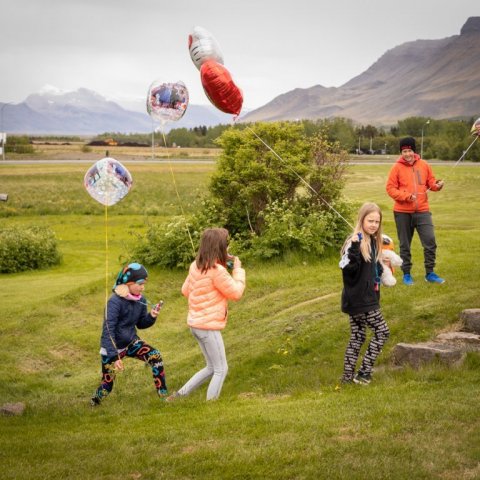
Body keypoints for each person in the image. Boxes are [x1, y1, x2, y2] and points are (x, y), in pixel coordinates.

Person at [167, 228, 246, 402]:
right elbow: (236, 293)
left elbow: (185, 290)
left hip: (195, 325)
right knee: (221, 369)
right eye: (226, 245)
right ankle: (211, 405)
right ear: (220, 248)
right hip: (208, 327)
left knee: (211, 367)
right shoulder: (217, 271)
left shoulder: (195, 266)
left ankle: (179, 395)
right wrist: (238, 271)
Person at [90, 263, 167, 406]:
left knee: (155, 356)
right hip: (112, 349)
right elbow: (108, 330)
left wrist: (151, 316)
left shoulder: (141, 300)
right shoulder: (114, 302)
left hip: (131, 343)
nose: (143, 287)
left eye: (144, 283)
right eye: (140, 284)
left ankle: (163, 397)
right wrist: (114, 356)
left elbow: (141, 324)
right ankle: (94, 401)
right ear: (128, 283)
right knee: (107, 386)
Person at [339, 202, 390, 385]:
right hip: (360, 300)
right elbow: (349, 270)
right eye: (370, 220)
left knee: (358, 336)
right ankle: (364, 373)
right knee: (382, 331)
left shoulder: (373, 242)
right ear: (362, 219)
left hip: (367, 297)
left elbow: (374, 268)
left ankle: (346, 378)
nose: (374, 224)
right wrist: (354, 247)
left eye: (377, 221)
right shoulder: (355, 242)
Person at [386, 136, 445, 285]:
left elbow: (431, 183)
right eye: (404, 151)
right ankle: (406, 274)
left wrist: (438, 185)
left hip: (422, 211)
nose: (407, 154)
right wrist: (406, 196)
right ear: (401, 152)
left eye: (409, 150)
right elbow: (390, 189)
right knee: (405, 245)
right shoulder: (396, 168)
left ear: (414, 151)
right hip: (402, 212)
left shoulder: (424, 165)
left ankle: (430, 273)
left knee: (430, 241)